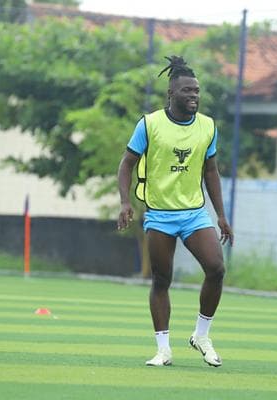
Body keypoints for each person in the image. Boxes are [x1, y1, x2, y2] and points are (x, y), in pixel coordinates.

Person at [117, 56, 233, 367]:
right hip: (159, 214)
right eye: (187, 91)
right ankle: (163, 349)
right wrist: (125, 202)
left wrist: (221, 214)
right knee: (162, 279)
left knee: (216, 268)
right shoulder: (149, 124)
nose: (193, 96)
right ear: (171, 94)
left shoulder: (208, 126)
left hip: (194, 213)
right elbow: (126, 163)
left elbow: (211, 171)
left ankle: (201, 335)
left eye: (197, 91)